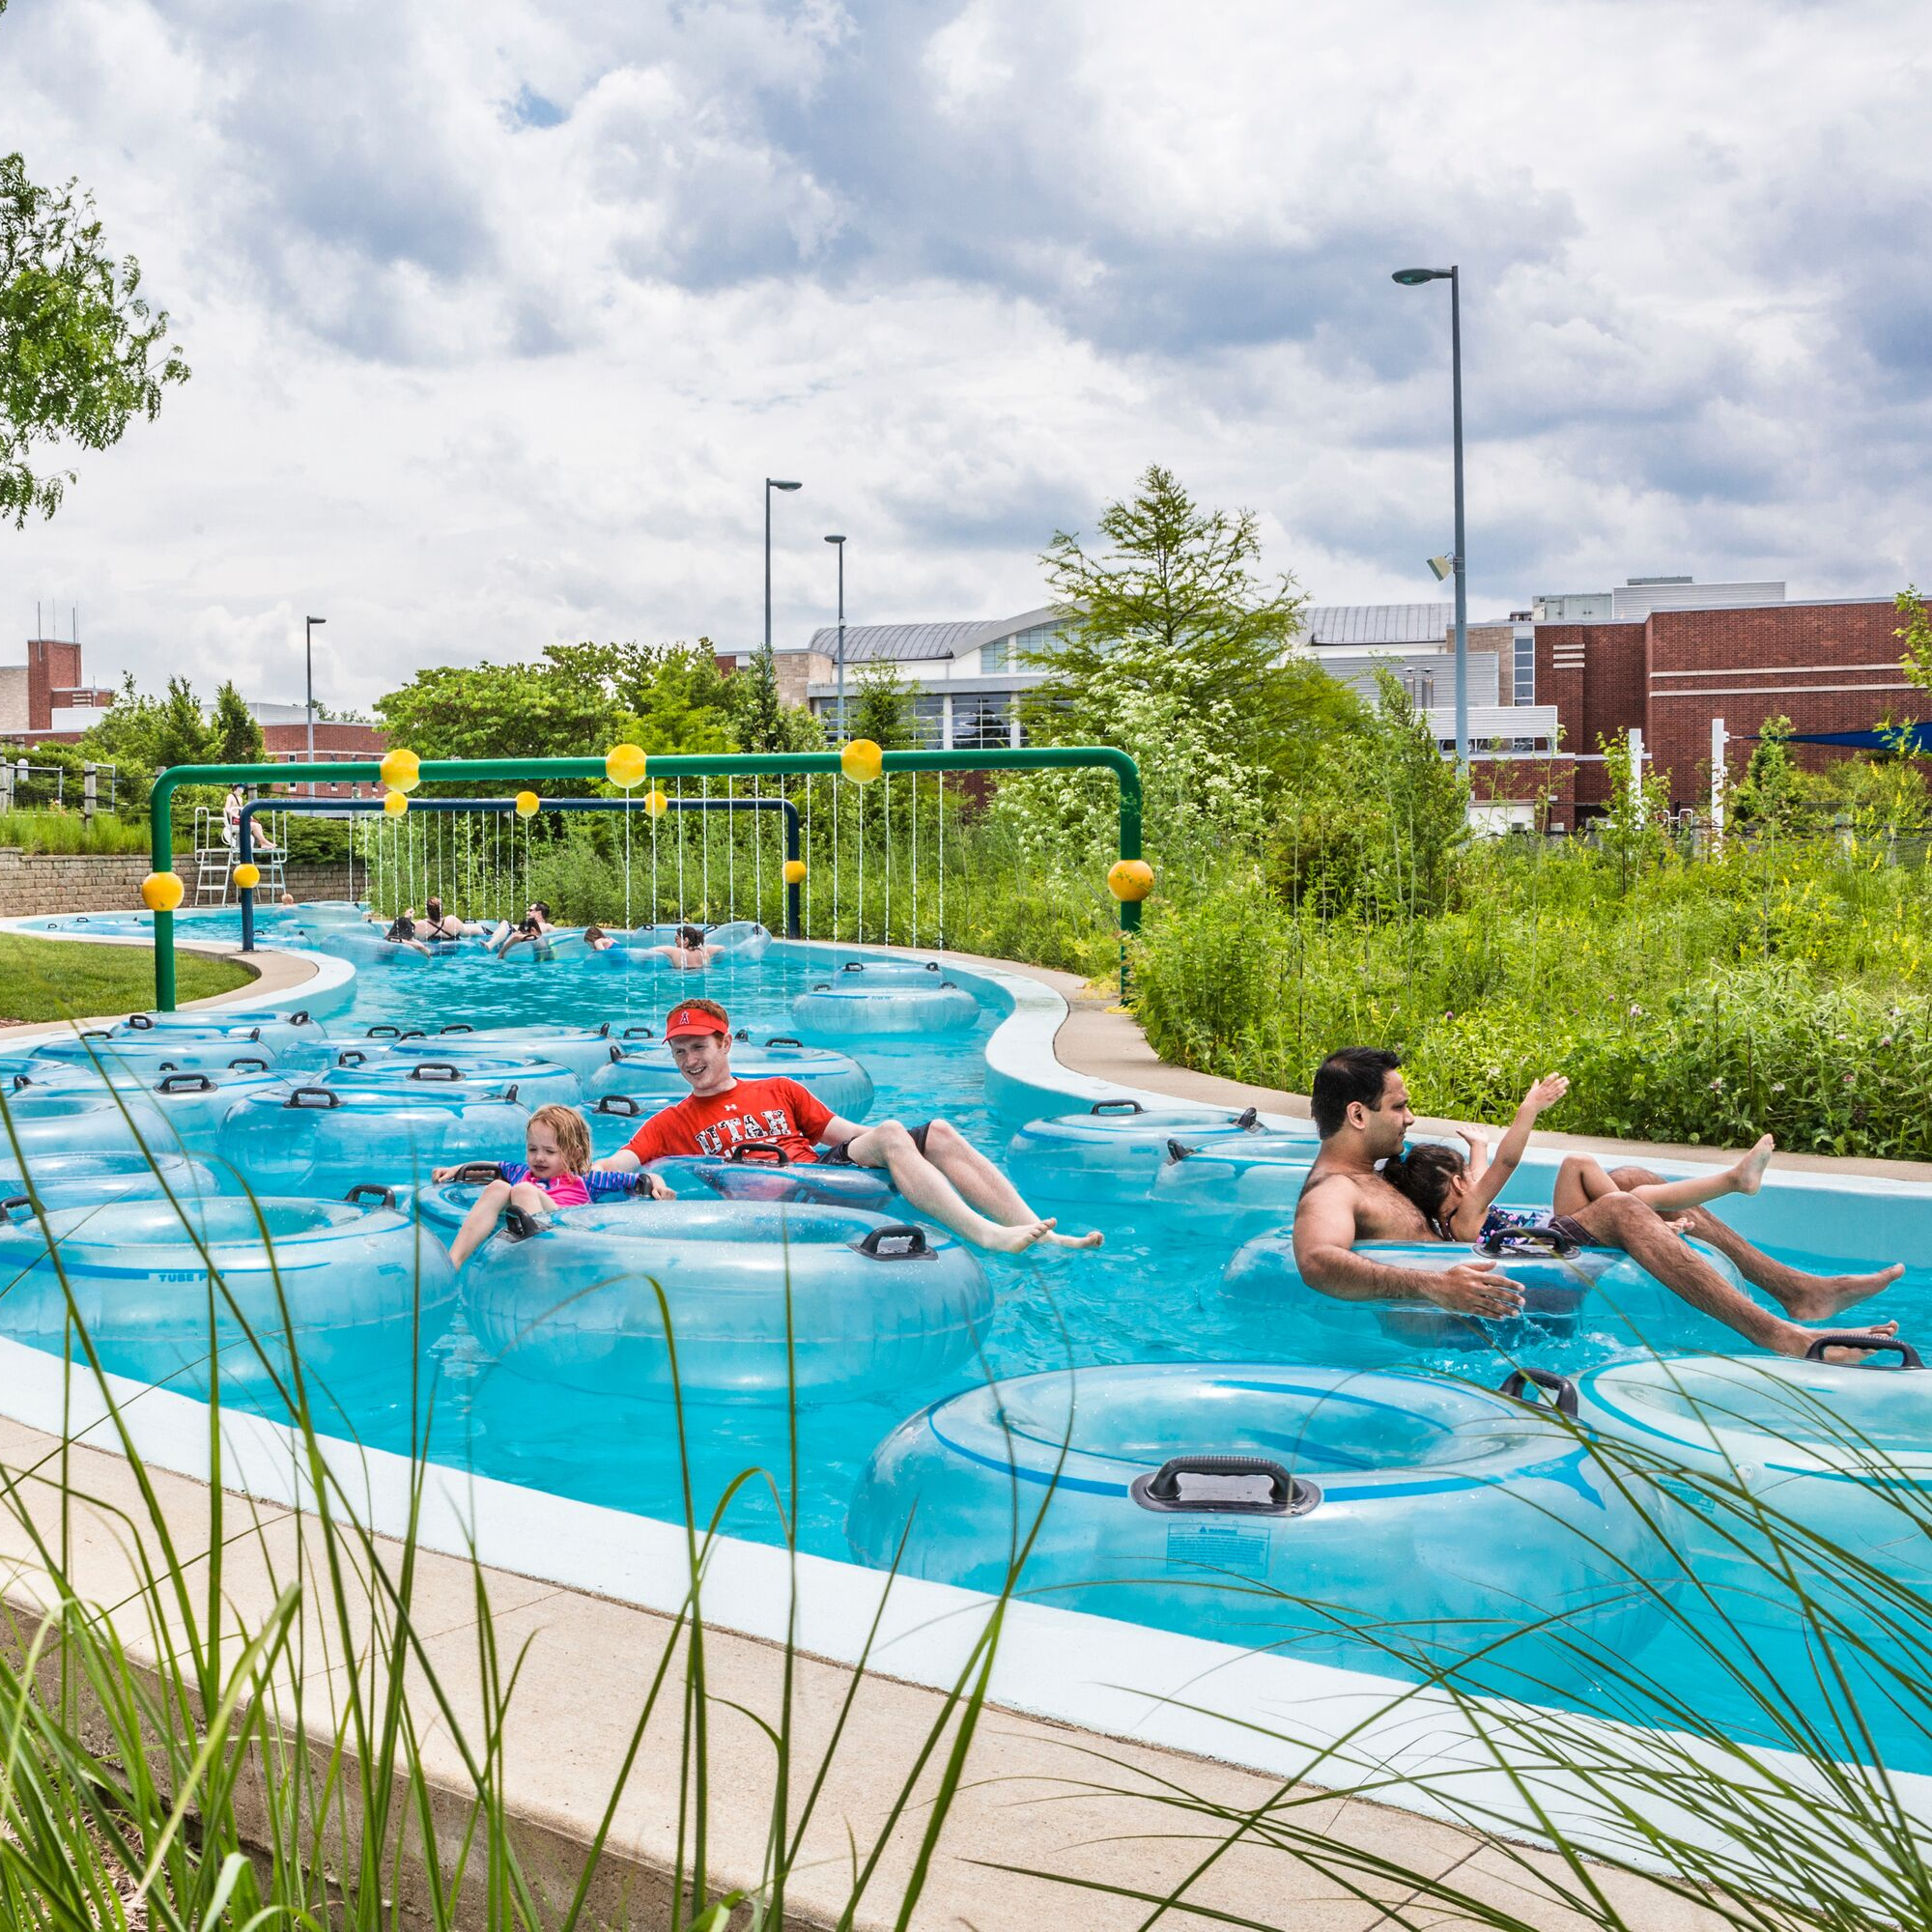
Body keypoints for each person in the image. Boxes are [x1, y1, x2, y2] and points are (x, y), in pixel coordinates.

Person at [1290, 1046, 1903, 1359]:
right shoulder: (1336, 1190)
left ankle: (1793, 1287)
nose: (1411, 1118)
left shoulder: (1380, 1171)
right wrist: (1430, 1286)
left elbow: (1465, 1193)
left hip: (1494, 1289)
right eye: (1399, 1107)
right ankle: (1786, 1337)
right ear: (1356, 1113)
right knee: (1619, 1210)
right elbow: (1317, 1263)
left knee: (1629, 1176)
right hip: (1461, 1321)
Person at [593, 998, 1103, 1255]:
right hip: (774, 1196)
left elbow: (848, 1133)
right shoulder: (670, 1122)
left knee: (940, 1130)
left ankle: (1035, 1231)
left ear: (725, 1044)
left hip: (827, 1176)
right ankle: (985, 1235)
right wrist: (579, 1168)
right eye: (680, 1051)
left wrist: (904, 1146)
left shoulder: (779, 1088)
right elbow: (621, 1163)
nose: (690, 1060)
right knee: (892, 1135)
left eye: (699, 1047)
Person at [1384, 1072, 1778, 1248]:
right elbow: (1503, 1167)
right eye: (1466, 1174)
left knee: (1578, 1164)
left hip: (1560, 1228)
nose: (1474, 1176)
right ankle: (1731, 1181)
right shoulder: (1467, 1214)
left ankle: (1665, 1212)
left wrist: (1477, 1145)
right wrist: (1529, 1109)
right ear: (1456, 1184)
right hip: (1561, 1238)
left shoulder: (1456, 1221)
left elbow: (1483, 1171)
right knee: (1633, 1199)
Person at [432, 1103, 673, 1268]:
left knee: (522, 1190)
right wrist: (455, 1169)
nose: (538, 1158)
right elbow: (494, 1166)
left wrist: (659, 1186)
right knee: (498, 1186)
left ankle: (539, 1270)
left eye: (549, 1151)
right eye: (532, 1149)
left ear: (573, 1153)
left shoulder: (588, 1179)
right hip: (530, 1233)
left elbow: (640, 1180)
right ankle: (454, 1262)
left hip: (565, 1239)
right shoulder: (521, 1172)